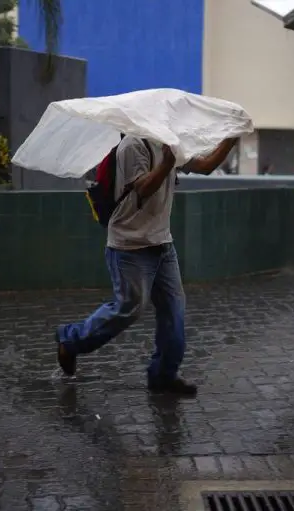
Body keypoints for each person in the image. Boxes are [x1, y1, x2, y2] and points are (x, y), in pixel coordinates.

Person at [55, 136, 238, 395]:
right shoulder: (133, 145)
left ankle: (163, 375)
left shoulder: (169, 143)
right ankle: (70, 340)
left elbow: (206, 166)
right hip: (129, 245)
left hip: (162, 244)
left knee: (174, 311)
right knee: (128, 308)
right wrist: (167, 164)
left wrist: (229, 141)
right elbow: (142, 188)